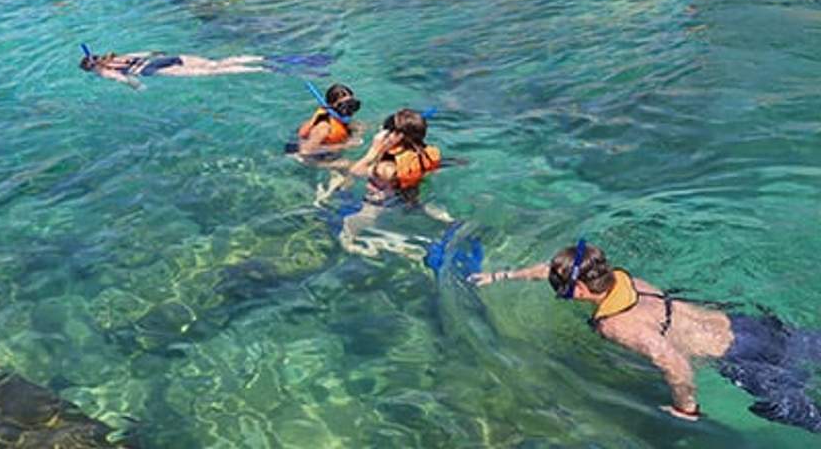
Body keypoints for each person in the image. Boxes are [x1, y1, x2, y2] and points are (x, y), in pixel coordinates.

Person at [473, 242, 821, 433]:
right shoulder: (625, 281)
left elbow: (675, 364)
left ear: (579, 290)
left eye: (562, 291)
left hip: (742, 360)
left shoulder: (616, 325)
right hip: (744, 325)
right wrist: (503, 275)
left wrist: (687, 409)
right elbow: (558, 269)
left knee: (800, 415)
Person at [320, 108, 452, 254]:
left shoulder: (385, 168)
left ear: (396, 136)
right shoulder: (426, 153)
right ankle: (447, 220)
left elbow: (356, 171)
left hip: (382, 202)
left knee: (350, 224)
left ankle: (353, 245)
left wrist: (374, 150)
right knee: (422, 206)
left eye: (386, 131)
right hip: (412, 195)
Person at [79, 50, 269, 88]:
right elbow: (146, 52)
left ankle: (260, 70)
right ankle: (258, 58)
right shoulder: (116, 56)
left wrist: (137, 87)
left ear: (92, 69)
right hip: (163, 58)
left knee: (212, 72)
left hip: (151, 69)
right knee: (213, 63)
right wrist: (158, 52)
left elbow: (123, 79)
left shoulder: (104, 71)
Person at [290, 83, 362, 159]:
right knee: (348, 165)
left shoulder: (341, 118)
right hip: (308, 156)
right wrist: (345, 145)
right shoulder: (324, 126)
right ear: (332, 105)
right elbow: (305, 152)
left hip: (326, 151)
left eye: (353, 105)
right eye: (345, 106)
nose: (350, 111)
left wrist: (357, 134)